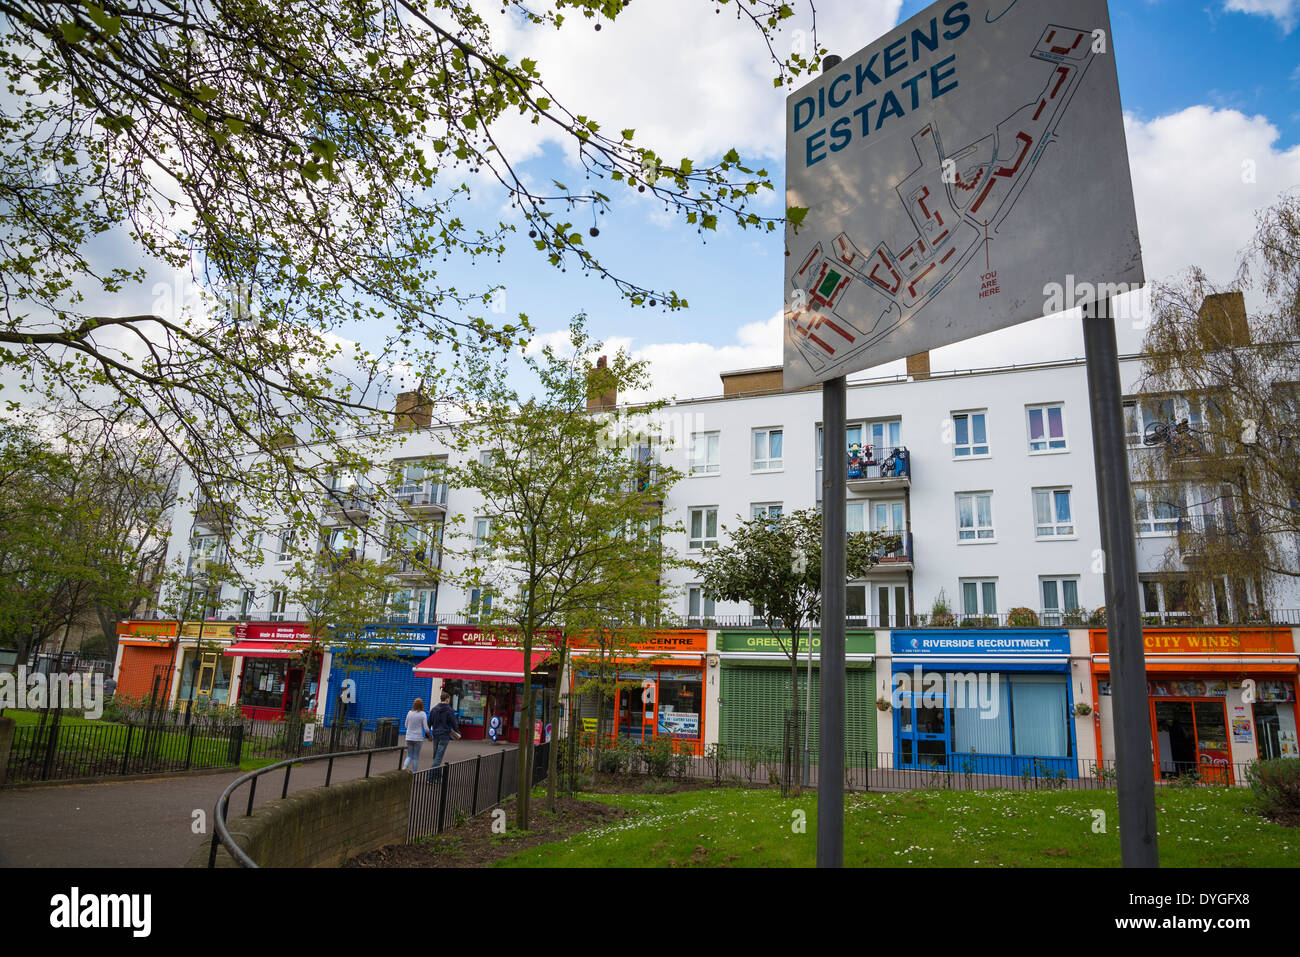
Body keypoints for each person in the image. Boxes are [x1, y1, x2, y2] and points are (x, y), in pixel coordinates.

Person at [428, 692, 460, 773]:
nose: (449, 700)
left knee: (436, 756)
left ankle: (437, 777)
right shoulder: (449, 710)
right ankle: (430, 777)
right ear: (447, 699)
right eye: (449, 698)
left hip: (436, 734)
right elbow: (454, 722)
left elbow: (429, 722)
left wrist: (428, 735)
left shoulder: (434, 709)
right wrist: (457, 732)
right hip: (444, 735)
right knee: (438, 758)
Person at [403, 698, 430, 772]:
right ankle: (414, 773)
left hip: (409, 737)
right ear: (422, 705)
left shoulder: (409, 713)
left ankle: (404, 768)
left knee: (408, 756)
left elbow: (406, 725)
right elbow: (426, 728)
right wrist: (430, 736)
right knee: (415, 757)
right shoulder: (423, 714)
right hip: (418, 738)